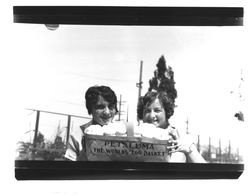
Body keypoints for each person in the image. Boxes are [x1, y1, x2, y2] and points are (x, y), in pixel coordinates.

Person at [137, 91, 206, 163]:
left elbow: (205, 171)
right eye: (147, 111)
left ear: (166, 112)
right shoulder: (135, 137)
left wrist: (190, 151)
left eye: (157, 110)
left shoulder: (181, 138)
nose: (152, 116)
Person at [64, 85, 118, 161]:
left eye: (111, 106)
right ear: (90, 109)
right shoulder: (78, 134)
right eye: (100, 107)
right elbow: (69, 168)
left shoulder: (124, 133)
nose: (107, 112)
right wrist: (85, 151)